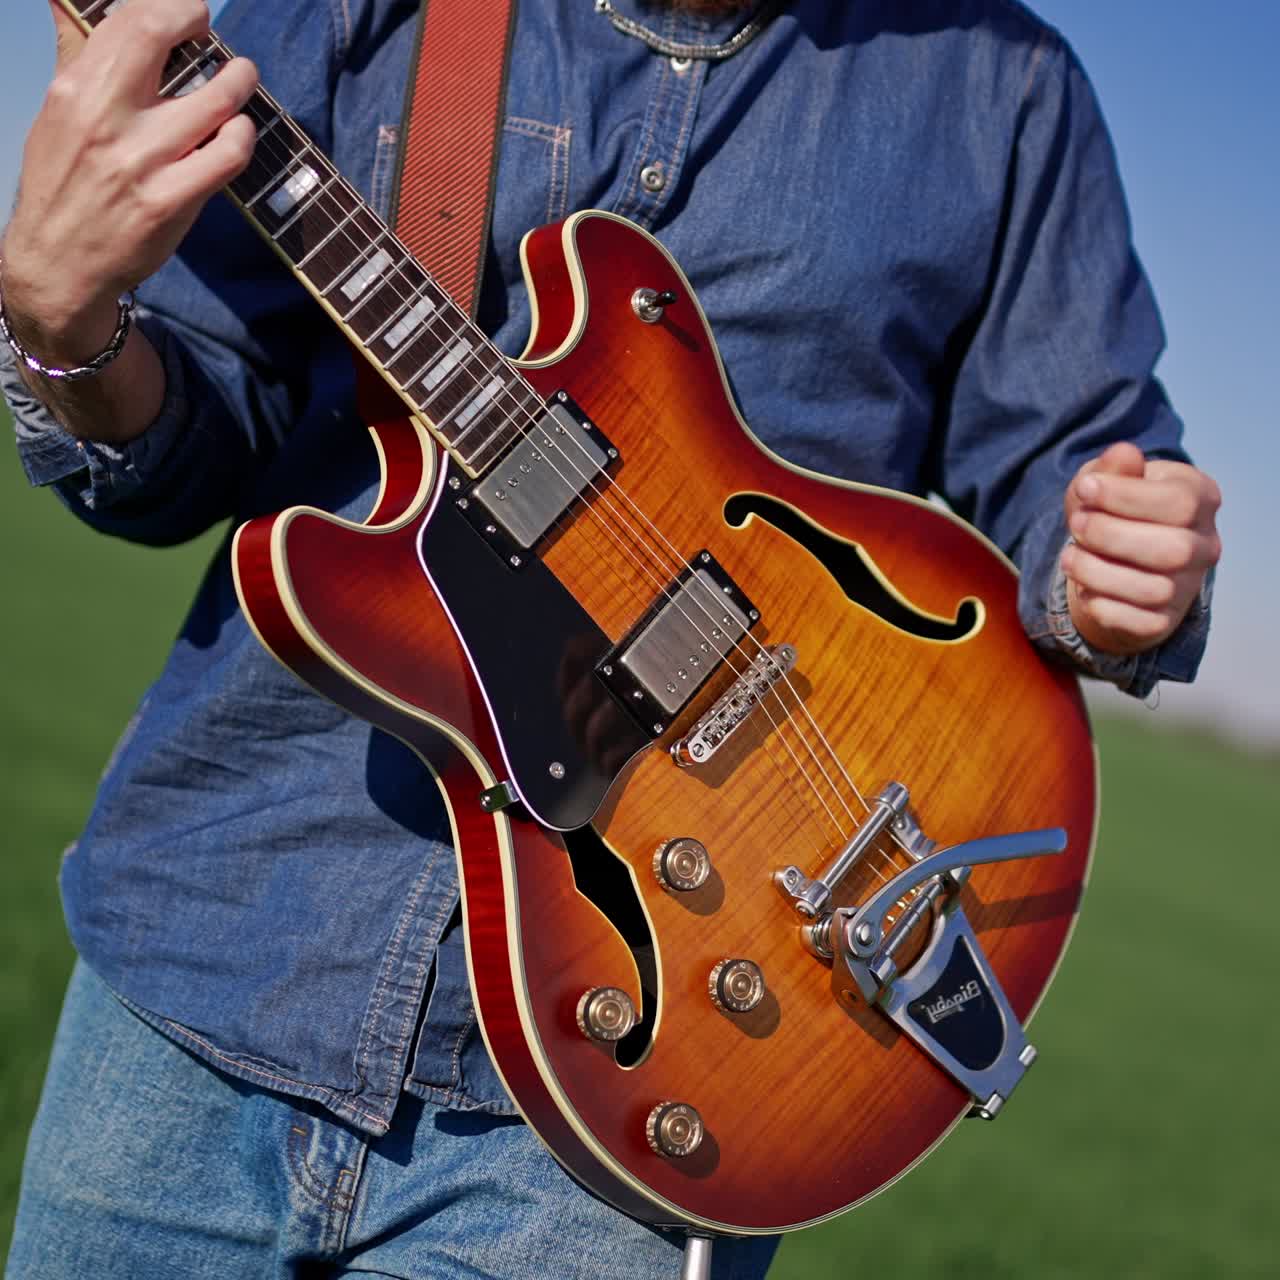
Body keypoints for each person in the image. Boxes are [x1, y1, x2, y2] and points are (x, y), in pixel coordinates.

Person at [1, 1, 1221, 1276]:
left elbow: (1071, 470)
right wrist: (59, 327)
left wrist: (1121, 563)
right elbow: (195, 430)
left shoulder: (1004, 90)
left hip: (637, 1115)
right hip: (212, 954)